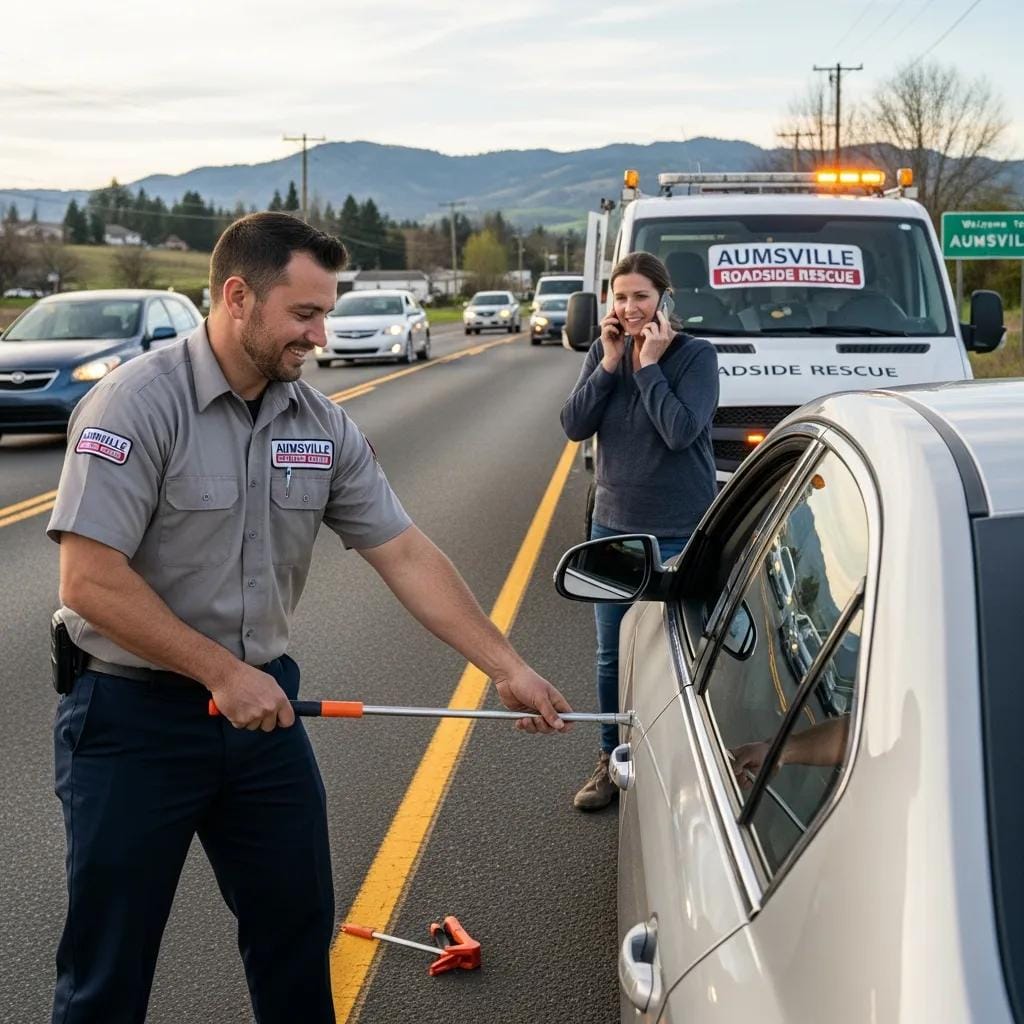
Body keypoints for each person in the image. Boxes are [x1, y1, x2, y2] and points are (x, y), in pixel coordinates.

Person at [47, 212, 571, 1024]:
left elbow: (404, 552)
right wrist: (219, 671)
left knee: (296, 931)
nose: (321, 336)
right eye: (304, 314)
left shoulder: (317, 424)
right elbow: (88, 579)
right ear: (237, 298)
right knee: (109, 965)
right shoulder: (135, 405)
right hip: (132, 719)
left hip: (263, 719)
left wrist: (507, 666)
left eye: (326, 313)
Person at [560, 251, 718, 811]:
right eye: (620, 297)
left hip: (684, 529)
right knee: (612, 656)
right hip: (614, 529)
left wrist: (649, 365)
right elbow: (574, 425)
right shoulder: (603, 355)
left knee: (690, 651)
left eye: (640, 297)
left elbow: (680, 432)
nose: (628, 307)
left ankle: (694, 764)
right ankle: (611, 758)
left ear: (664, 300)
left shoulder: (696, 356)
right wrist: (607, 365)